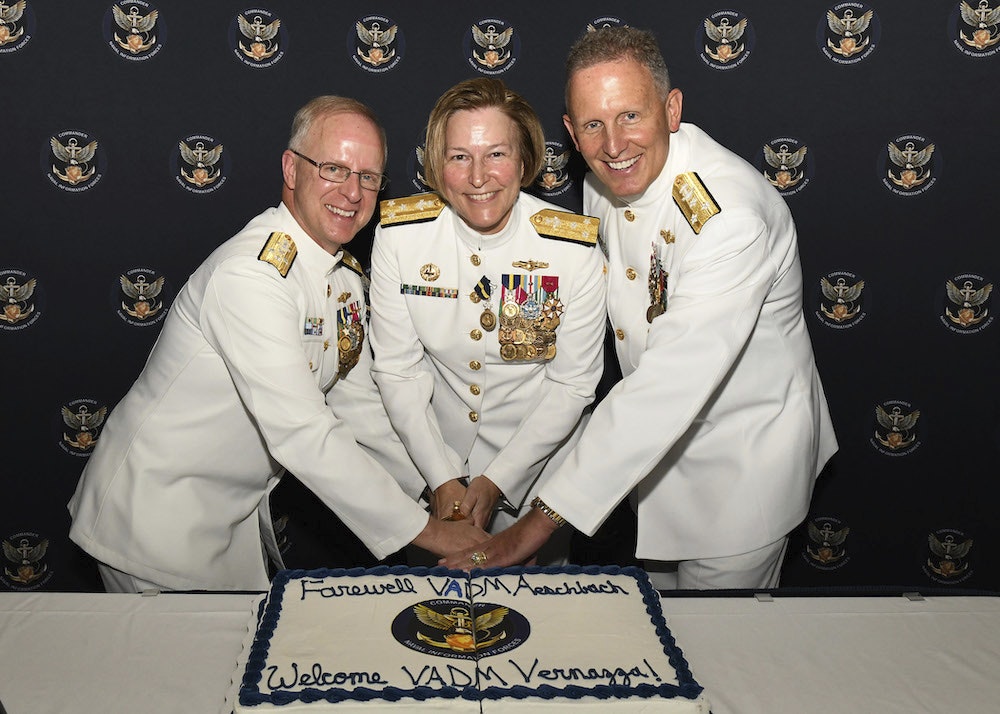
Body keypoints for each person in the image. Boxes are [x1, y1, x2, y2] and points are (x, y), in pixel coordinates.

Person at [444, 27, 838, 589]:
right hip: (653, 467)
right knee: (661, 635)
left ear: (671, 109)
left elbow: (669, 383)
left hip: (742, 467)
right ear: (570, 132)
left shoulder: (728, 220)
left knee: (720, 657)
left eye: (631, 116)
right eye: (592, 125)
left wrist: (534, 524)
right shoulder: (607, 180)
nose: (613, 145)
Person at [68, 96, 487, 593]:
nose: (352, 192)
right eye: (334, 168)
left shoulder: (342, 278)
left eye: (369, 177)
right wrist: (434, 534)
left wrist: (434, 489)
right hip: (154, 525)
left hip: (224, 521)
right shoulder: (251, 276)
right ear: (292, 169)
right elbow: (305, 434)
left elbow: (360, 409)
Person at [368, 78, 606, 561]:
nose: (479, 177)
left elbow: (573, 386)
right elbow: (398, 370)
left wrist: (498, 479)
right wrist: (441, 477)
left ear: (525, 161)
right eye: (459, 157)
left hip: (537, 480)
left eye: (496, 154)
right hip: (433, 475)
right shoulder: (401, 237)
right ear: (438, 165)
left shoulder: (571, 250)